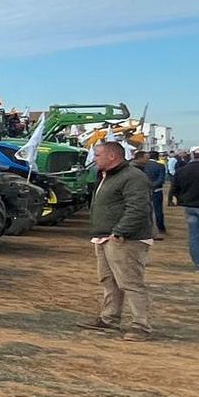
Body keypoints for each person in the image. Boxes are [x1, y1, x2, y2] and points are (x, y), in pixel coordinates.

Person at [84, 139, 154, 338]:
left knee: (130, 282)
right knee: (109, 281)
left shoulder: (133, 177)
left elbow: (138, 208)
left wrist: (120, 231)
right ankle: (109, 318)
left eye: (97, 155)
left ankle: (141, 325)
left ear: (112, 156)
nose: (94, 159)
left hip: (125, 239)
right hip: (104, 237)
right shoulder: (105, 176)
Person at [137, 149, 168, 238]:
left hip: (143, 190)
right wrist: (152, 186)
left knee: (145, 210)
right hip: (156, 190)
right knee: (158, 211)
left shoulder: (142, 165)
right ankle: (161, 229)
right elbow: (161, 179)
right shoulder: (160, 166)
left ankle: (147, 228)